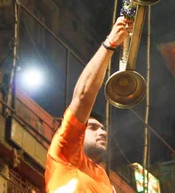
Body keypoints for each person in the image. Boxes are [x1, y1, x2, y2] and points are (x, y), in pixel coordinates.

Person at [45, 16, 132, 193]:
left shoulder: (106, 182)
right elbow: (83, 97)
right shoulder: (64, 151)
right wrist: (111, 43)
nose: (103, 132)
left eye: (102, 128)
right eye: (92, 127)